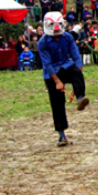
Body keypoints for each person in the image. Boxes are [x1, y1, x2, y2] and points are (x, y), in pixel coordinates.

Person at [38, 12, 90, 146]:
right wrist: (57, 81)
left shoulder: (67, 37)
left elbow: (75, 53)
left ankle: (80, 98)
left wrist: (78, 69)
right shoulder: (42, 43)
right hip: (52, 73)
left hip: (66, 65)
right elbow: (47, 64)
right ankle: (62, 135)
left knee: (77, 74)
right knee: (57, 103)